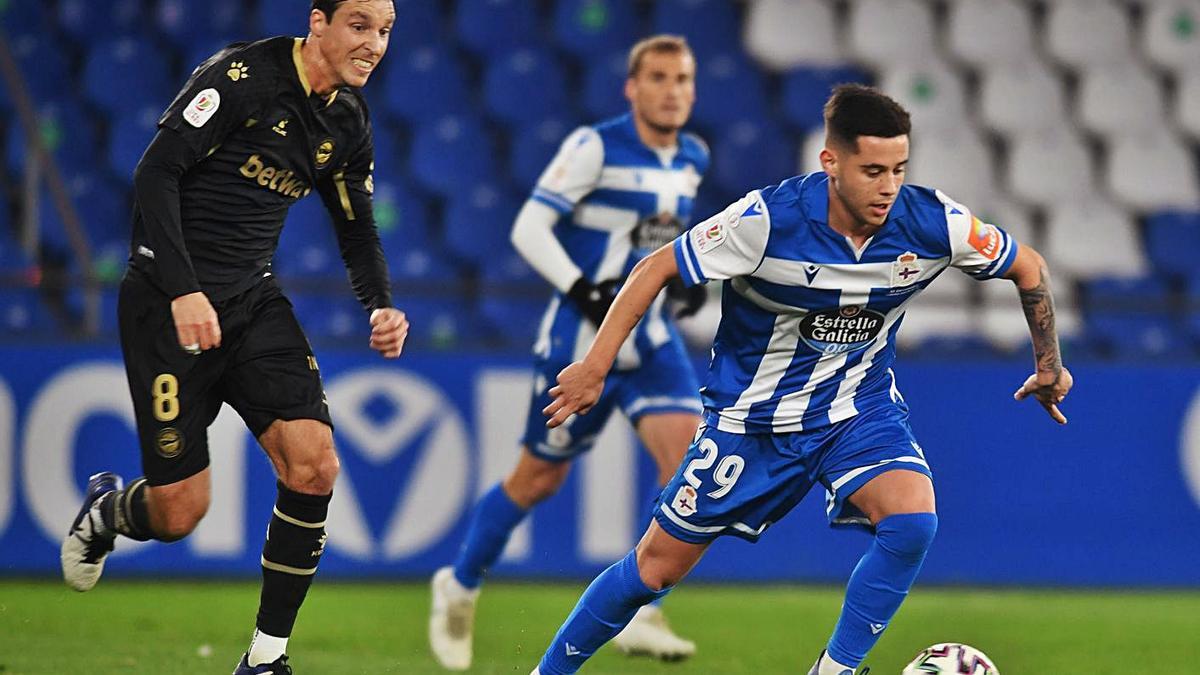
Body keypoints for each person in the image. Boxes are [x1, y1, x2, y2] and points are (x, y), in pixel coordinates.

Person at [532, 84, 1074, 675]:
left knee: (913, 519)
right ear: (830, 162)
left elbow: (1029, 266)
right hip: (752, 423)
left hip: (855, 409)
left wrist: (1048, 362)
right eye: (872, 170)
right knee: (653, 570)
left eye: (899, 169)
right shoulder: (765, 222)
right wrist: (595, 365)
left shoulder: (933, 222)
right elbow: (656, 267)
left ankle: (833, 671)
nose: (889, 187)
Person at [59, 2, 405, 673]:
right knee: (180, 510)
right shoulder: (243, 77)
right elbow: (155, 172)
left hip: (251, 304)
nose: (374, 44)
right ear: (319, 22)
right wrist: (183, 288)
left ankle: (266, 659)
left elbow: (356, 226)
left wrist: (380, 305)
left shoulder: (346, 121)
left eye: (386, 31)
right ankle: (107, 512)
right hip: (168, 304)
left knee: (315, 462)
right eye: (360, 25)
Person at [428, 35, 710, 671]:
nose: (673, 90)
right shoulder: (596, 146)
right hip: (581, 343)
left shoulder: (692, 155)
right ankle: (460, 583)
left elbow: (661, 241)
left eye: (683, 79)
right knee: (538, 479)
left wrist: (685, 289)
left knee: (688, 462)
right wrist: (586, 292)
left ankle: (642, 610)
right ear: (631, 88)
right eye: (659, 78)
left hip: (654, 341)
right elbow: (528, 227)